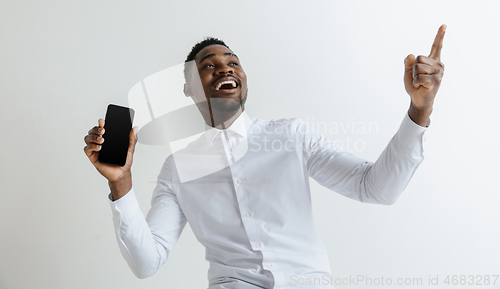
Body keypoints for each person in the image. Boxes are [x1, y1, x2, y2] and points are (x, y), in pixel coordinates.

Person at [83, 25, 446, 288]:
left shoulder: (291, 136)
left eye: (233, 62)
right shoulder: (177, 169)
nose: (224, 67)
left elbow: (377, 189)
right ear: (188, 88)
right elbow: (147, 263)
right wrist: (122, 184)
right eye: (209, 65)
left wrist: (419, 110)